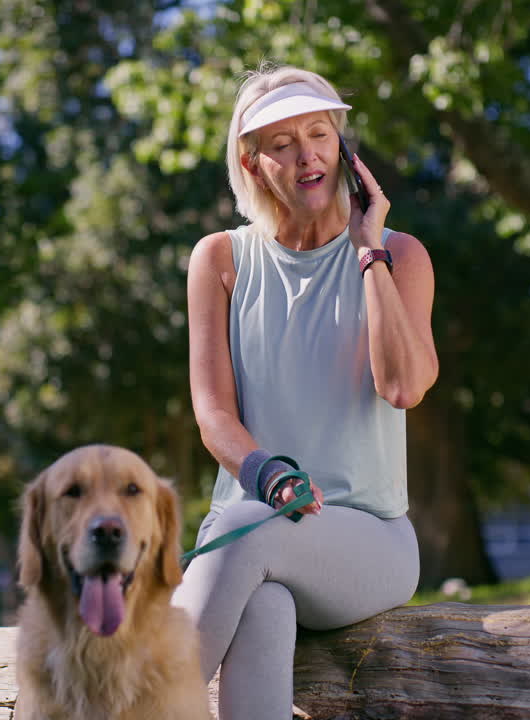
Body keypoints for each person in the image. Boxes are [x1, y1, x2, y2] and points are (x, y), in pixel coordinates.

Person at [172, 64, 439, 719]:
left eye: (318, 133)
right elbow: (213, 414)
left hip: (369, 543)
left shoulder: (400, 256)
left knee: (244, 530)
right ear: (253, 162)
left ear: (344, 149)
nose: (306, 154)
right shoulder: (220, 260)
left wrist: (368, 250)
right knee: (261, 603)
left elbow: (404, 386)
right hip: (253, 529)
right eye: (283, 142)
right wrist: (268, 477)